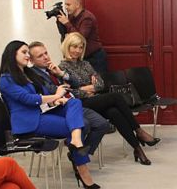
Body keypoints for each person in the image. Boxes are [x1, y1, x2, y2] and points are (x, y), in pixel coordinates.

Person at [0, 40, 100, 189]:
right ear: (12, 55)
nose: (27, 56)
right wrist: (56, 96)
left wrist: (55, 101)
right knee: (77, 126)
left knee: (74, 103)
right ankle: (83, 170)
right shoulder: (6, 79)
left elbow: (44, 93)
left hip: (41, 113)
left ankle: (76, 142)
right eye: (24, 52)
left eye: (28, 52)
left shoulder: (27, 73)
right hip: (29, 121)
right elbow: (28, 99)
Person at [58, 32, 159, 165]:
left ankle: (138, 149)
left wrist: (87, 88)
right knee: (116, 97)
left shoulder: (85, 64)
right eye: (74, 47)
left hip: (94, 100)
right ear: (67, 47)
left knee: (114, 113)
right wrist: (89, 89)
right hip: (79, 104)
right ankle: (139, 131)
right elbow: (70, 93)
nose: (78, 50)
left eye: (81, 47)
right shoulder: (62, 68)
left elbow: (101, 84)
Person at [26, 40, 110, 167]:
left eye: (46, 53)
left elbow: (75, 84)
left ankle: (78, 155)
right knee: (84, 124)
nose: (46, 57)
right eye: (40, 56)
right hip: (58, 108)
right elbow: (52, 90)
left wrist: (60, 74)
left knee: (102, 124)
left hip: (73, 103)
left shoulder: (52, 68)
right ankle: (79, 162)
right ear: (31, 60)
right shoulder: (33, 74)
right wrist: (69, 88)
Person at [57, 0, 108, 75]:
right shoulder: (72, 18)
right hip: (84, 57)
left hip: (95, 58)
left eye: (68, 4)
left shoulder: (87, 18)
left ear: (77, 5)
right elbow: (66, 34)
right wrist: (60, 22)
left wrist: (67, 23)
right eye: (65, 5)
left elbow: (80, 38)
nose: (66, 7)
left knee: (98, 81)